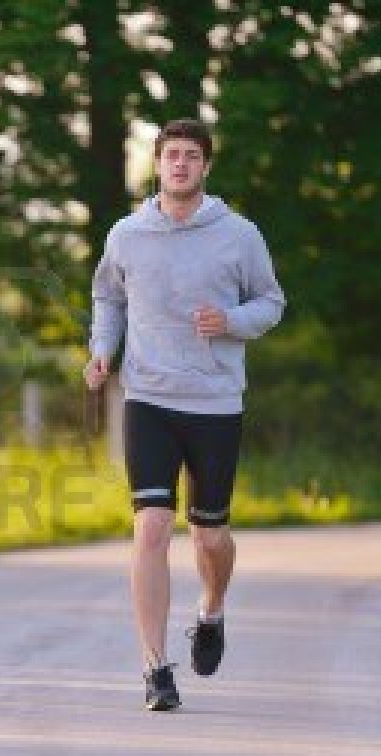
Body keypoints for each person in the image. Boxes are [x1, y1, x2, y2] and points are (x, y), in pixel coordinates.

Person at [85, 119, 285, 711]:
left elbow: (272, 301)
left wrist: (232, 322)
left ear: (206, 167)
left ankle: (212, 610)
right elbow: (107, 296)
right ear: (156, 163)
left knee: (210, 534)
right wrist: (102, 349)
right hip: (147, 395)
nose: (180, 165)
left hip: (215, 401)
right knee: (151, 524)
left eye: (191, 157)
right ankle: (154, 667)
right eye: (171, 155)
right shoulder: (127, 234)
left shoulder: (239, 235)